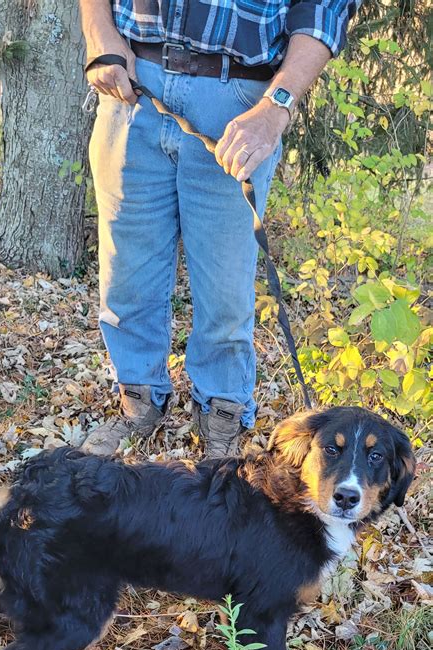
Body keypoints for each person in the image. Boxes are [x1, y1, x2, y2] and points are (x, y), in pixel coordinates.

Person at [80, 0, 360, 457]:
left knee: (226, 290)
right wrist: (100, 35)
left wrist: (277, 106)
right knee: (126, 275)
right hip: (131, 86)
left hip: (239, 103)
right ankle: (138, 401)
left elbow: (324, 10)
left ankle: (222, 411)